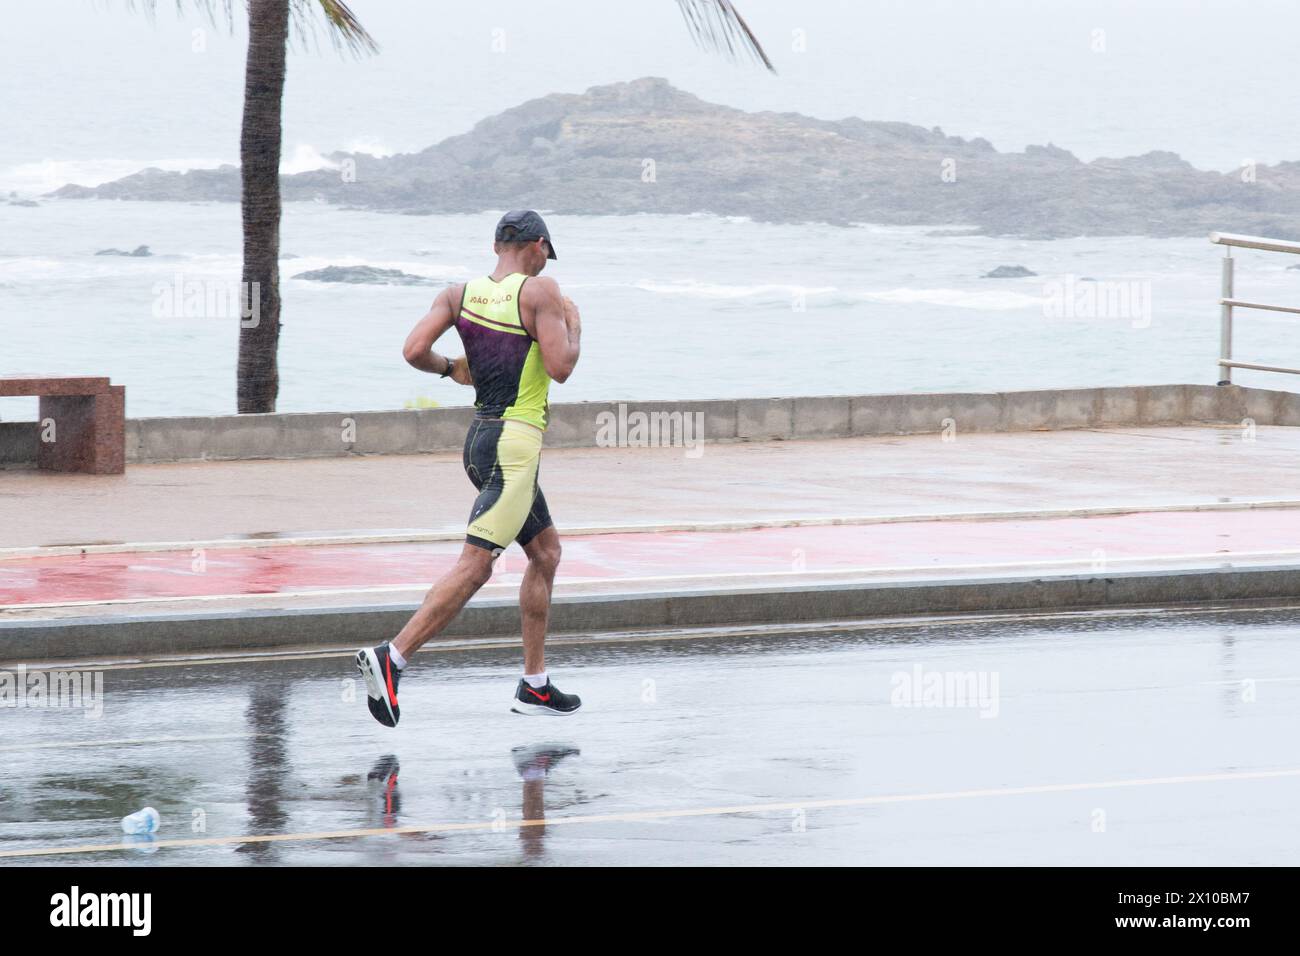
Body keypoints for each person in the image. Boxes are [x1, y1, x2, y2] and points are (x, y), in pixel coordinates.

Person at [356, 210, 582, 725]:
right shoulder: (541, 291)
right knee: (476, 565)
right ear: (537, 245)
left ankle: (535, 683)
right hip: (514, 448)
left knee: (545, 552)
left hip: (481, 441)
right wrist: (574, 325)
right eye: (546, 251)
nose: (546, 260)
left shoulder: (458, 295)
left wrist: (452, 370)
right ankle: (393, 658)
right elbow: (561, 368)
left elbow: (414, 350)